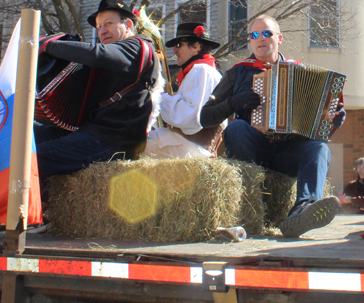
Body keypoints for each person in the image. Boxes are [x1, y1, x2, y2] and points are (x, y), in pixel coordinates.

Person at [200, 14, 345, 238]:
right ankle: (247, 210)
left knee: (319, 148)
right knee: (236, 127)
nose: (261, 39)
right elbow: (204, 117)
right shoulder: (237, 72)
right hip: (252, 151)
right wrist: (232, 103)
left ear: (279, 38)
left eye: (267, 33)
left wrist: (334, 119)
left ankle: (302, 211)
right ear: (250, 41)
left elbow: (320, 127)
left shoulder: (299, 71)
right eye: (254, 35)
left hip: (287, 153)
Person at [36, 0, 162, 179]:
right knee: (25, 136)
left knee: (31, 158)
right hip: (90, 132)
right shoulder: (116, 53)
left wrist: (47, 45)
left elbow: (97, 54)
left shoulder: (138, 46)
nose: (102, 31)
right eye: (99, 26)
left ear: (127, 24)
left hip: (111, 141)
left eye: (108, 23)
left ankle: (29, 206)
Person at [143, 22, 224, 158]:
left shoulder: (202, 70)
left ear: (196, 46)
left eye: (179, 45)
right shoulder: (197, 72)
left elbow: (191, 119)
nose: (174, 50)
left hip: (194, 149)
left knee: (134, 145)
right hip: (188, 144)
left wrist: (159, 96)